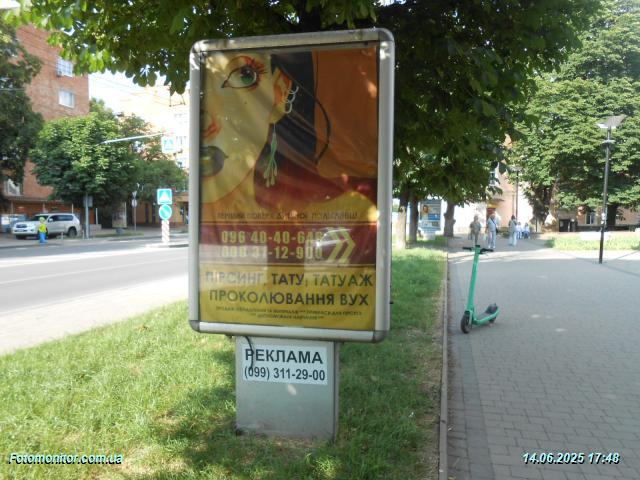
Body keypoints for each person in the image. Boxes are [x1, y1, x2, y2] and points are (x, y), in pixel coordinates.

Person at [200, 49, 378, 218]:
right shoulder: (212, 218)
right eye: (202, 95)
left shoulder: (349, 201)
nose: (207, 123)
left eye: (246, 76)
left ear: (282, 88)